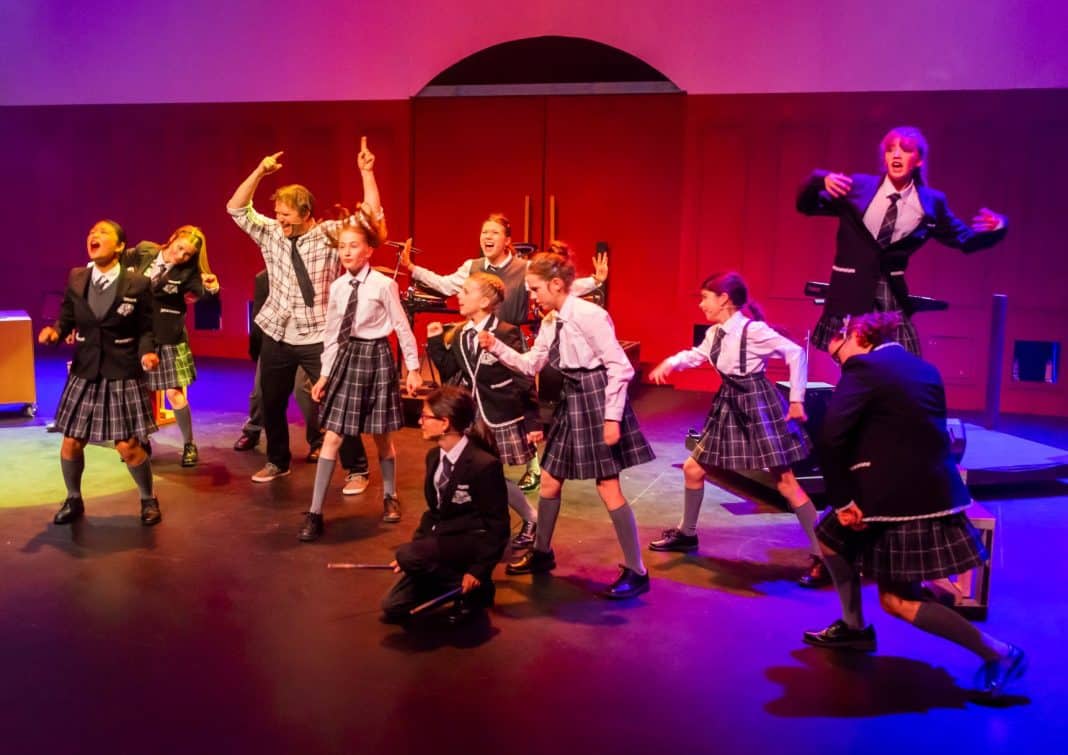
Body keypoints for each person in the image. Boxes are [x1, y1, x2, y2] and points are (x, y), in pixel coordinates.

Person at [803, 312, 1025, 698]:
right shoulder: (921, 367)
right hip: (929, 491)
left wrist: (843, 501)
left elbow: (831, 436)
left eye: (837, 349)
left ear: (858, 335)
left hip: (895, 499)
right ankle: (854, 627)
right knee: (830, 541)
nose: (837, 358)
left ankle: (1000, 652)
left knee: (898, 601)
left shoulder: (864, 367)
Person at [479, 250, 655, 599]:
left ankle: (637, 570)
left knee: (607, 486)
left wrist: (611, 417)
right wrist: (496, 346)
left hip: (596, 395)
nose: (532, 296)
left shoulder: (590, 315)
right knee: (549, 480)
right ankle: (543, 553)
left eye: (535, 289)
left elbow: (621, 367)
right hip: (572, 397)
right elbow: (531, 365)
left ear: (556, 285)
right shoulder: (550, 321)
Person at [646, 272, 829, 587]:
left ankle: (825, 556)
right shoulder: (716, 332)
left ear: (724, 299)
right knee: (693, 469)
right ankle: (687, 534)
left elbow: (795, 354)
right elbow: (698, 355)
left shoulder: (753, 330)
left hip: (756, 404)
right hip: (729, 403)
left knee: (785, 482)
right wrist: (671, 363)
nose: (702, 304)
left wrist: (797, 400)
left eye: (705, 297)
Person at [401, 214, 607, 490]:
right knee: (483, 399)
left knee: (515, 398)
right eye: (484, 231)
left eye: (494, 232)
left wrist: (594, 281)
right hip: (480, 337)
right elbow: (444, 283)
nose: (487, 237)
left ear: (507, 240)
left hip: (508, 337)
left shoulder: (523, 268)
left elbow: (555, 284)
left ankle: (530, 463)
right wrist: (413, 269)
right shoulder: (472, 268)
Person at [226, 138, 377, 485]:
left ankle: (357, 468)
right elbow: (236, 208)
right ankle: (278, 461)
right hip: (277, 330)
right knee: (271, 401)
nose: (279, 220)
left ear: (307, 213)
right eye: (276, 213)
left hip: (318, 331)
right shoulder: (271, 234)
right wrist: (260, 172)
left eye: (286, 214)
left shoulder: (327, 234)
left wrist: (366, 173)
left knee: (337, 400)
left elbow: (368, 217)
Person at [796, 125, 1008, 354]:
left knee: (903, 360)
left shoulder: (931, 203)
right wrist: (819, 180)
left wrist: (999, 228)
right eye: (890, 150)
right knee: (851, 360)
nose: (896, 154)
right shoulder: (859, 187)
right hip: (850, 292)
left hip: (890, 294)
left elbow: (965, 240)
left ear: (919, 161)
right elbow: (806, 206)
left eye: (905, 150)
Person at [299, 217, 422, 540]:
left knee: (381, 436)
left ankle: (390, 495)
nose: (347, 252)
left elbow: (401, 325)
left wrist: (412, 367)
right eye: (342, 247)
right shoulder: (338, 286)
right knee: (333, 436)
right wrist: (325, 374)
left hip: (376, 357)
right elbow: (331, 334)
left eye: (354, 246)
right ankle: (314, 512)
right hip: (348, 358)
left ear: (369, 251)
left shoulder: (383, 285)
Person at [38, 220, 162, 526]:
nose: (94, 235)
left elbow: (147, 328)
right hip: (85, 370)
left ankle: (148, 499)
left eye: (103, 232)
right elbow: (66, 318)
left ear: (120, 246)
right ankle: (73, 499)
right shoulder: (77, 277)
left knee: (128, 446)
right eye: (91, 231)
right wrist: (55, 333)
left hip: (121, 371)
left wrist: (147, 352)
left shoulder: (137, 284)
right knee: (71, 442)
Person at [426, 272, 541, 548]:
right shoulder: (460, 333)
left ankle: (531, 518)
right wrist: (433, 341)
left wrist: (533, 421)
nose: (459, 296)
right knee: (482, 475)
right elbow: (448, 369)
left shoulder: (505, 331)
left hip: (500, 416)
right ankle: (492, 524)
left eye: (466, 291)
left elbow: (522, 378)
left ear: (486, 301)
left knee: (491, 476)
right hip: (474, 417)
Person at [381, 385, 510, 625]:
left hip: (468, 543)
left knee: (407, 555)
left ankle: (478, 587)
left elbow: (498, 526)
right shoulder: (433, 457)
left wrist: (478, 570)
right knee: (393, 606)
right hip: (443, 542)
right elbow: (433, 513)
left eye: (425, 416)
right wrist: (418, 551)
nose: (420, 421)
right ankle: (455, 585)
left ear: (445, 423)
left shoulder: (483, 465)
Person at [123, 225, 219, 466]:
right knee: (141, 393)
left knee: (174, 394)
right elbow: (118, 262)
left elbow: (202, 297)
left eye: (187, 255)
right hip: (137, 335)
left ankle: (189, 444)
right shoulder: (145, 251)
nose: (181, 256)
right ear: (172, 238)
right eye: (179, 249)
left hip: (168, 336)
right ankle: (142, 440)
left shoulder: (188, 273)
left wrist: (212, 288)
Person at [233, 269, 325, 465]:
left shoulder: (312, 273)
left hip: (305, 342)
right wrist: (256, 349)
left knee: (303, 391)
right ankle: (253, 430)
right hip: (275, 343)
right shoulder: (264, 278)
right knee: (260, 392)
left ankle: (317, 440)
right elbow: (258, 314)